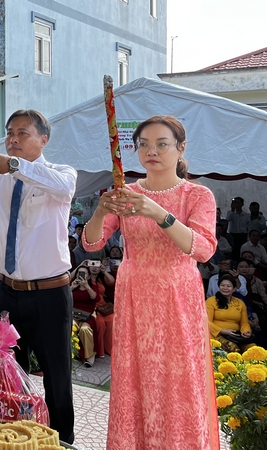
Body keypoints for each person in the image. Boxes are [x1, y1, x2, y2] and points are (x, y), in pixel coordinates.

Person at [84, 115, 218, 449]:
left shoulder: (197, 195)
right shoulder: (126, 193)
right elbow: (91, 243)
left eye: (161, 144)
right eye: (143, 144)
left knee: (178, 378)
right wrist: (100, 211)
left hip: (176, 295)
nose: (151, 151)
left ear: (180, 148)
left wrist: (158, 212)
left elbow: (201, 248)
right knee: (134, 376)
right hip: (134, 294)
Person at [0, 109, 76, 443]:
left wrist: (15, 165)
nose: (13, 139)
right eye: (9, 133)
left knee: (57, 376)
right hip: (6, 291)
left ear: (42, 140)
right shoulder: (0, 179)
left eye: (22, 133)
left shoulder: (60, 174)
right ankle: (8, 438)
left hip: (49, 293)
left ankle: (62, 441)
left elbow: (63, 187)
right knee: (3, 374)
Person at [206, 273, 255, 352]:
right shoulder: (211, 301)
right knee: (232, 348)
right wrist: (222, 330)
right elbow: (207, 321)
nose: (225, 288)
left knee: (253, 349)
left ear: (234, 289)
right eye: (222, 285)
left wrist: (246, 331)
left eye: (228, 286)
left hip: (236, 337)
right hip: (217, 335)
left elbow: (244, 323)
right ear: (219, 287)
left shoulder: (240, 303)